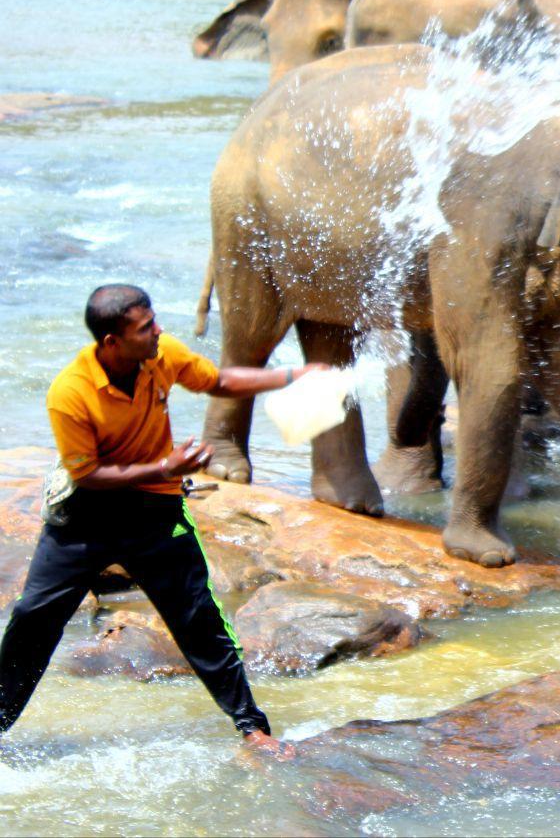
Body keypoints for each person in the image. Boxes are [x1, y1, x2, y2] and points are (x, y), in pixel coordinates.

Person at [0, 284, 325, 757]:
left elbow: (217, 382)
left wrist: (292, 375)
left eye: (154, 321)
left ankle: (252, 730)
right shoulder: (70, 392)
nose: (159, 331)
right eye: (145, 327)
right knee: (32, 619)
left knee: (198, 618)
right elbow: (87, 474)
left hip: (156, 514)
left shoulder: (162, 355)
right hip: (83, 521)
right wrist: (166, 467)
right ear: (112, 342)